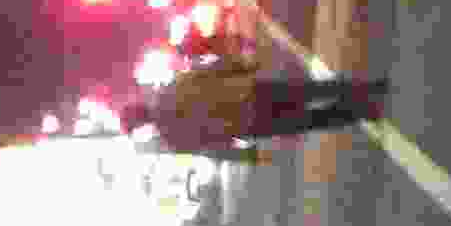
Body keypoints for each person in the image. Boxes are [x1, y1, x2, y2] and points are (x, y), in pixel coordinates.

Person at [139, 52, 386, 151]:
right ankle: (368, 88)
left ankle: (360, 111)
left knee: (308, 120)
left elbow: (210, 144)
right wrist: (245, 66)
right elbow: (212, 71)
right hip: (247, 92)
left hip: (247, 123)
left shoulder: (174, 138)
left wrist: (233, 140)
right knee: (309, 91)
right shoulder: (172, 88)